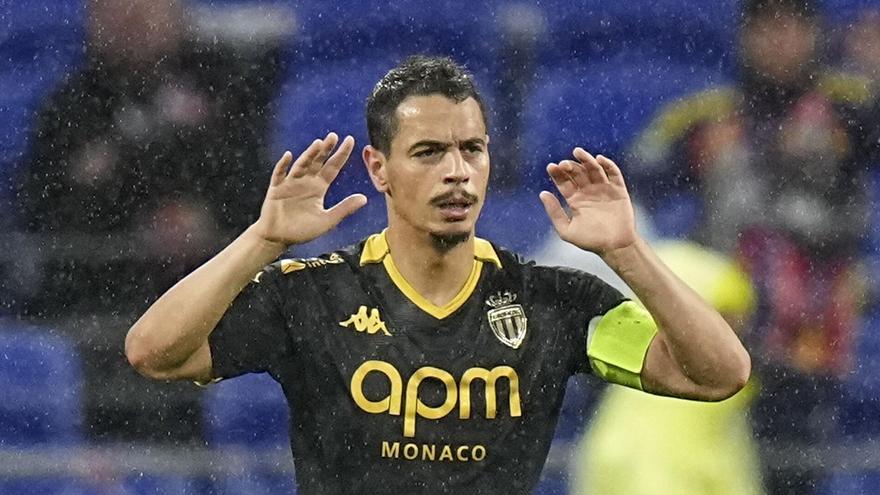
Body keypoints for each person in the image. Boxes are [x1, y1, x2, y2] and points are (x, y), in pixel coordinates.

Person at [125, 56, 750, 494]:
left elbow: (721, 374)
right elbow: (153, 352)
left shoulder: (552, 303)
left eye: (471, 149)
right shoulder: (313, 294)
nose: (457, 172)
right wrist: (261, 241)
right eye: (428, 152)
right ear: (379, 168)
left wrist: (629, 252)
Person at [629, 1, 875, 492]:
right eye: (766, 26)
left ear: (816, 34)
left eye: (793, 25)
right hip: (719, 336)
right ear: (744, 36)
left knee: (792, 477)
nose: (779, 40)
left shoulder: (851, 111)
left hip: (809, 342)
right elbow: (630, 195)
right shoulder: (704, 120)